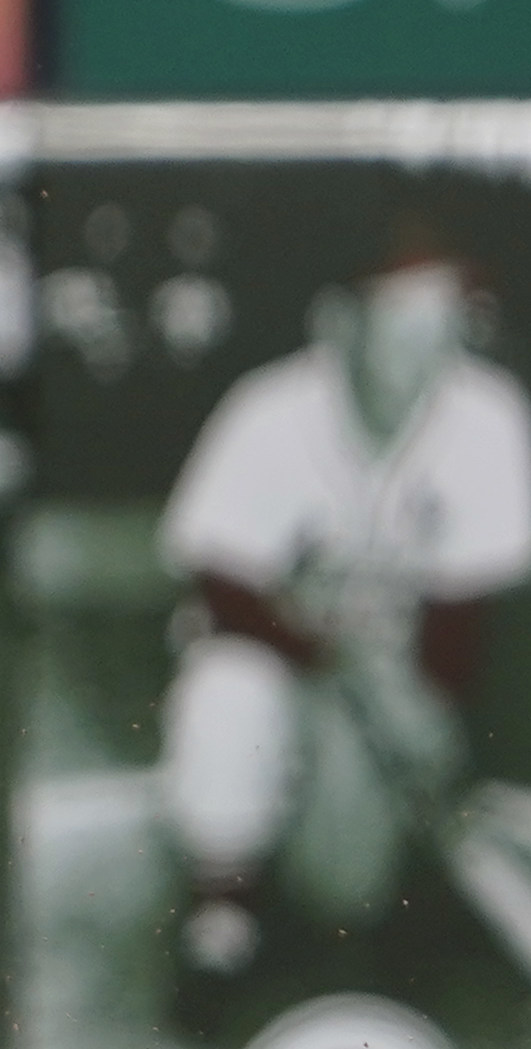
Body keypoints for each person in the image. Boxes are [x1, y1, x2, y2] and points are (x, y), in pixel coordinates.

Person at [155, 227, 531, 978]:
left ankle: (444, 853)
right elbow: (222, 588)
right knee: (224, 693)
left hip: (405, 669)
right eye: (404, 321)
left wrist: (442, 728)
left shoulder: (486, 412)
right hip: (283, 657)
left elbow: (480, 604)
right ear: (339, 322)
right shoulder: (269, 411)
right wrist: (344, 660)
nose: (428, 348)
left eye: (445, 321)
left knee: (348, 893)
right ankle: (222, 905)